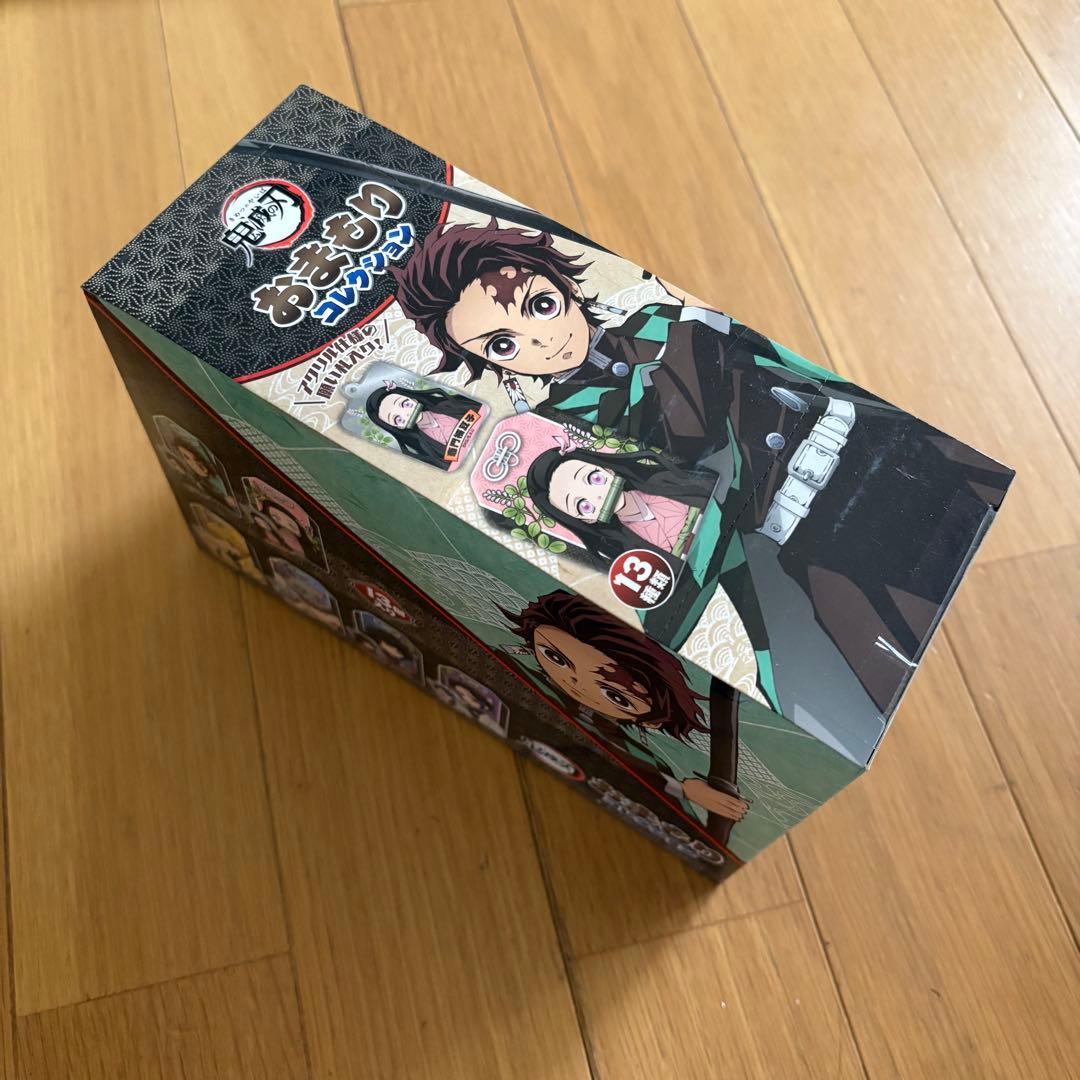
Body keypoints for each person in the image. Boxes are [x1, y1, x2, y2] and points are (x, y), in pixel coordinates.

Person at [501, 589, 748, 840]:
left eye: (616, 696)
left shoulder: (629, 748)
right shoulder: (511, 673)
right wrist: (684, 789)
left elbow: (630, 770)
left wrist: (685, 790)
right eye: (555, 656)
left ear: (653, 721)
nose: (576, 682)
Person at [361, 384, 483, 471]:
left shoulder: (449, 404)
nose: (406, 414)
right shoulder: (425, 447)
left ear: (412, 399)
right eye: (397, 419)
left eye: (404, 404)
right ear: (397, 427)